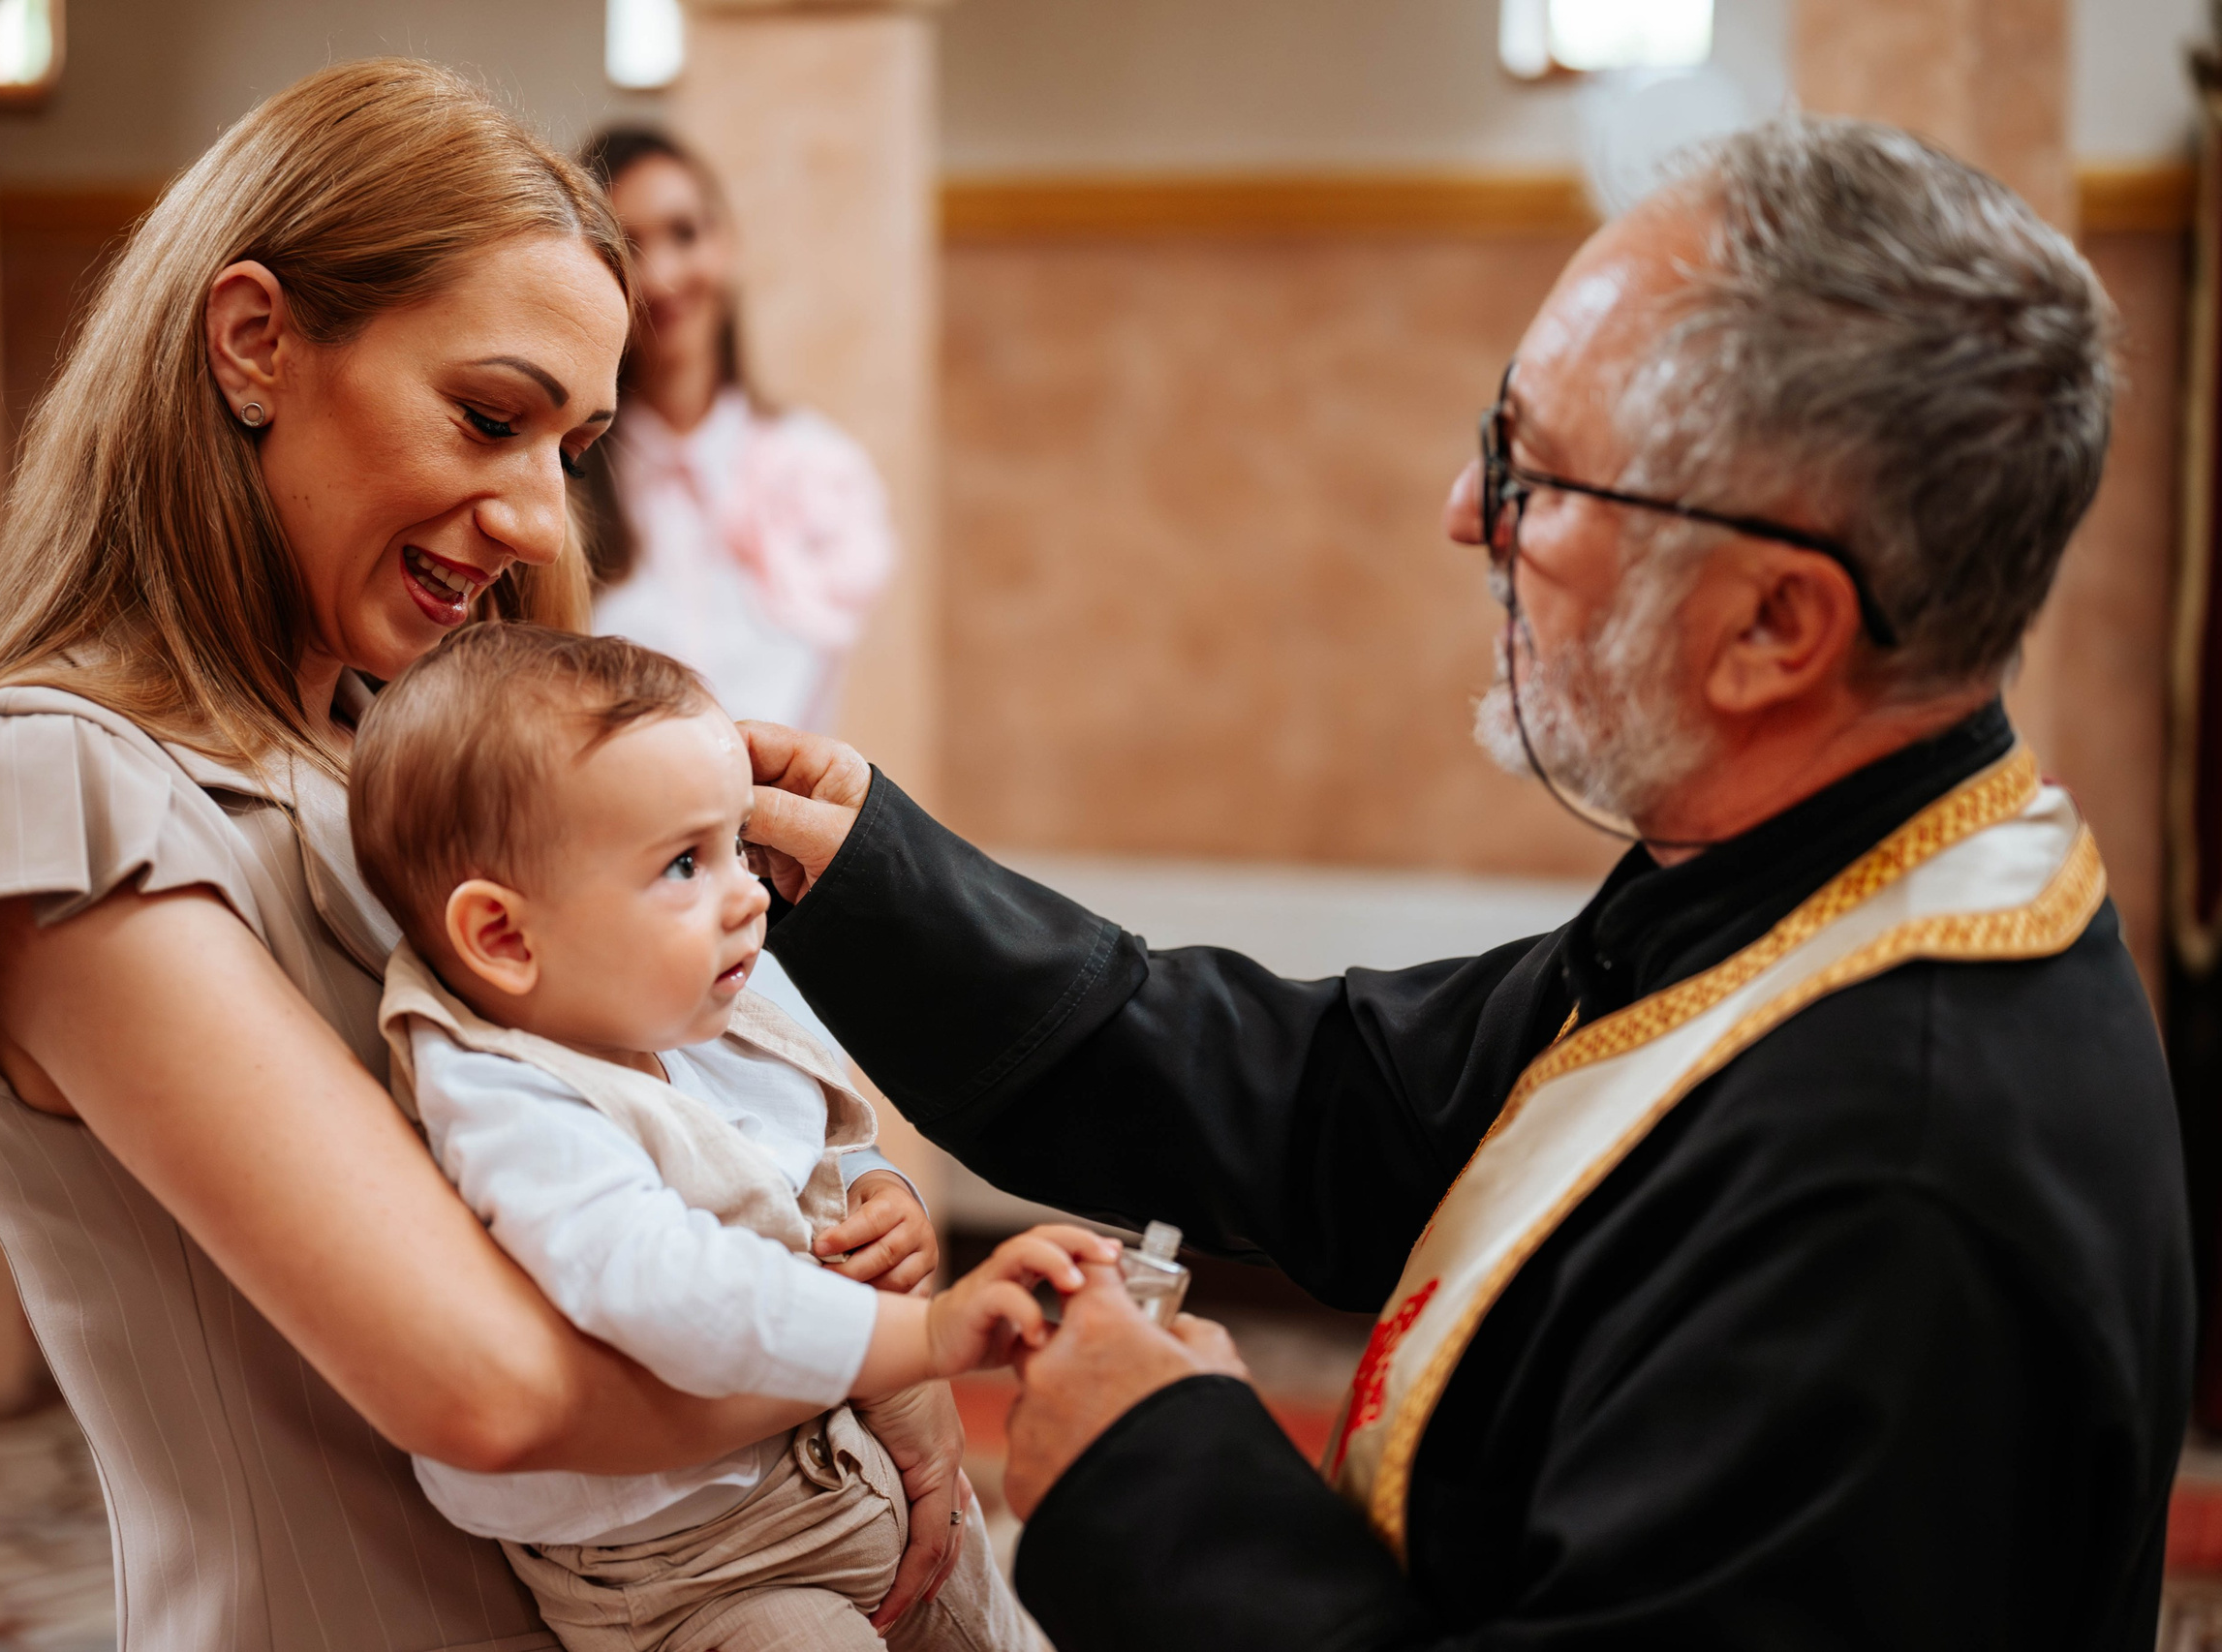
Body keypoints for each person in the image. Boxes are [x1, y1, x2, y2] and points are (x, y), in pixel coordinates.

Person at [738, 117, 2193, 1649]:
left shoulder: (1894, 1179)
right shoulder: (1807, 883)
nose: (1463, 511)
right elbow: (1333, 1100)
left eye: (1535, 472)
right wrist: (869, 875)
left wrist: (1159, 1476)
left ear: (1776, 624)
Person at [0, 61, 968, 1651]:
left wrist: (865, 1215)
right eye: (491, 417)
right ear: (254, 342)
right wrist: (897, 1352)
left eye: (571, 448)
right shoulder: (45, 788)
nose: (536, 518)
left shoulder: (418, 765)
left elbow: (739, 1119)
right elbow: (486, 1390)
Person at [346, 623, 1066, 1650]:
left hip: (856, 1479)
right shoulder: (509, 1102)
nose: (748, 892)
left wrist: (880, 1202)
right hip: (707, 1577)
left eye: (737, 846)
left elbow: (797, 1148)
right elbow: (667, 1286)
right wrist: (920, 1339)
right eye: (686, 861)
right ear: (503, 935)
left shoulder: (651, 1003)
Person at [576, 126, 894, 735]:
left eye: (684, 233)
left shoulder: (820, 471)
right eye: (629, 248)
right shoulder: (566, 475)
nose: (662, 276)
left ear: (727, 244)